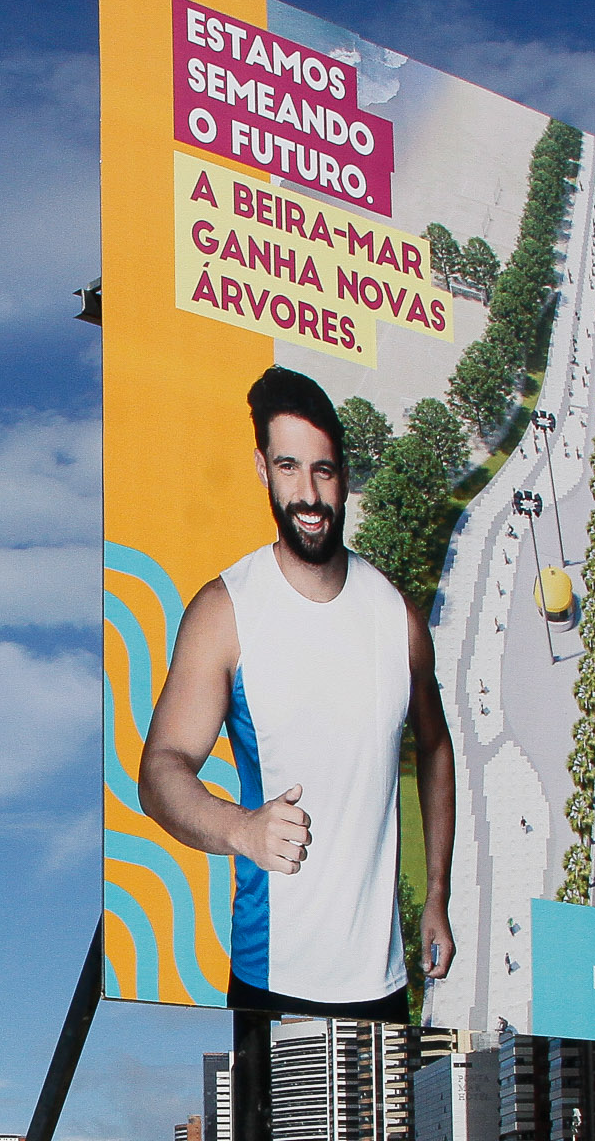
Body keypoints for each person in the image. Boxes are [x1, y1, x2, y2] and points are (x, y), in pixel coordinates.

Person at [139, 366, 458, 1017]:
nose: (308, 493)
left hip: (384, 986)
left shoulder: (397, 617)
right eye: (289, 467)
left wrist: (436, 899)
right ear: (263, 469)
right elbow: (159, 771)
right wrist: (241, 829)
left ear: (344, 475)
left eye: (324, 470)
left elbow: (436, 746)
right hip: (272, 982)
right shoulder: (226, 611)